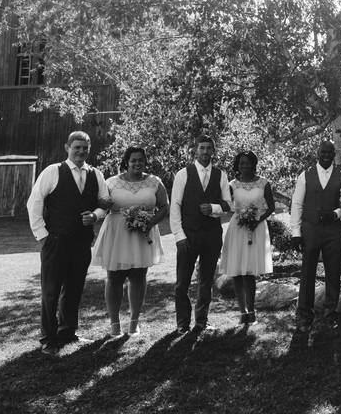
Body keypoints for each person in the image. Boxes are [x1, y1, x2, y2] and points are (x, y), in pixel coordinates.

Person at [27, 131, 111, 356]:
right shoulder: (53, 171)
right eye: (77, 147)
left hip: (82, 242)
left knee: (74, 289)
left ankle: (68, 332)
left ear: (89, 149)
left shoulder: (96, 174)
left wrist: (95, 216)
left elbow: (105, 204)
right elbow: (34, 203)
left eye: (85, 148)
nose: (81, 152)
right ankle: (48, 338)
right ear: (67, 147)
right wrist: (42, 236)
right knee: (51, 291)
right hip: (56, 241)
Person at [92, 146, 168, 337]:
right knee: (115, 278)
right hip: (117, 233)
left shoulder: (154, 182)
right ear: (126, 162)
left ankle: (134, 322)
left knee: (138, 277)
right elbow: (101, 205)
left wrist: (150, 223)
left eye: (140, 160)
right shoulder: (111, 182)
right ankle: (114, 324)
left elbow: (164, 207)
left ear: (145, 161)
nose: (137, 163)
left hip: (143, 234)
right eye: (133, 160)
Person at [170, 135, 231, 334]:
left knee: (206, 281)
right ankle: (182, 323)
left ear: (213, 151)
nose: (205, 152)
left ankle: (201, 321)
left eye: (209, 148)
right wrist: (179, 236)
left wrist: (213, 207)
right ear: (195, 150)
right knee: (182, 283)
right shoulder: (182, 174)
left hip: (212, 236)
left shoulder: (221, 175)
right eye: (202, 148)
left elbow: (228, 205)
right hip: (188, 235)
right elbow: (175, 207)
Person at [291, 141, 341, 332]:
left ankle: (330, 313)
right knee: (307, 272)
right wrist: (296, 233)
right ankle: (304, 315)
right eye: (323, 151)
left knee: (333, 272)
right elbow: (297, 205)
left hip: (333, 231)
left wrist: (336, 214)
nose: (326, 155)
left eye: (330, 152)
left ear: (334, 154)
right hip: (310, 230)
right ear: (317, 153)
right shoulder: (305, 176)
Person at [218, 151, 275, 325]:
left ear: (254, 164)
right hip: (238, 228)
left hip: (256, 228)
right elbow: (226, 206)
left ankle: (252, 311)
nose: (245, 166)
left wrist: (256, 219)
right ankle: (242, 311)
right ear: (237, 165)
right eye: (242, 163)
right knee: (236, 271)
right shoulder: (231, 185)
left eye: (248, 162)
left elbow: (270, 207)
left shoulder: (264, 183)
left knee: (249, 271)